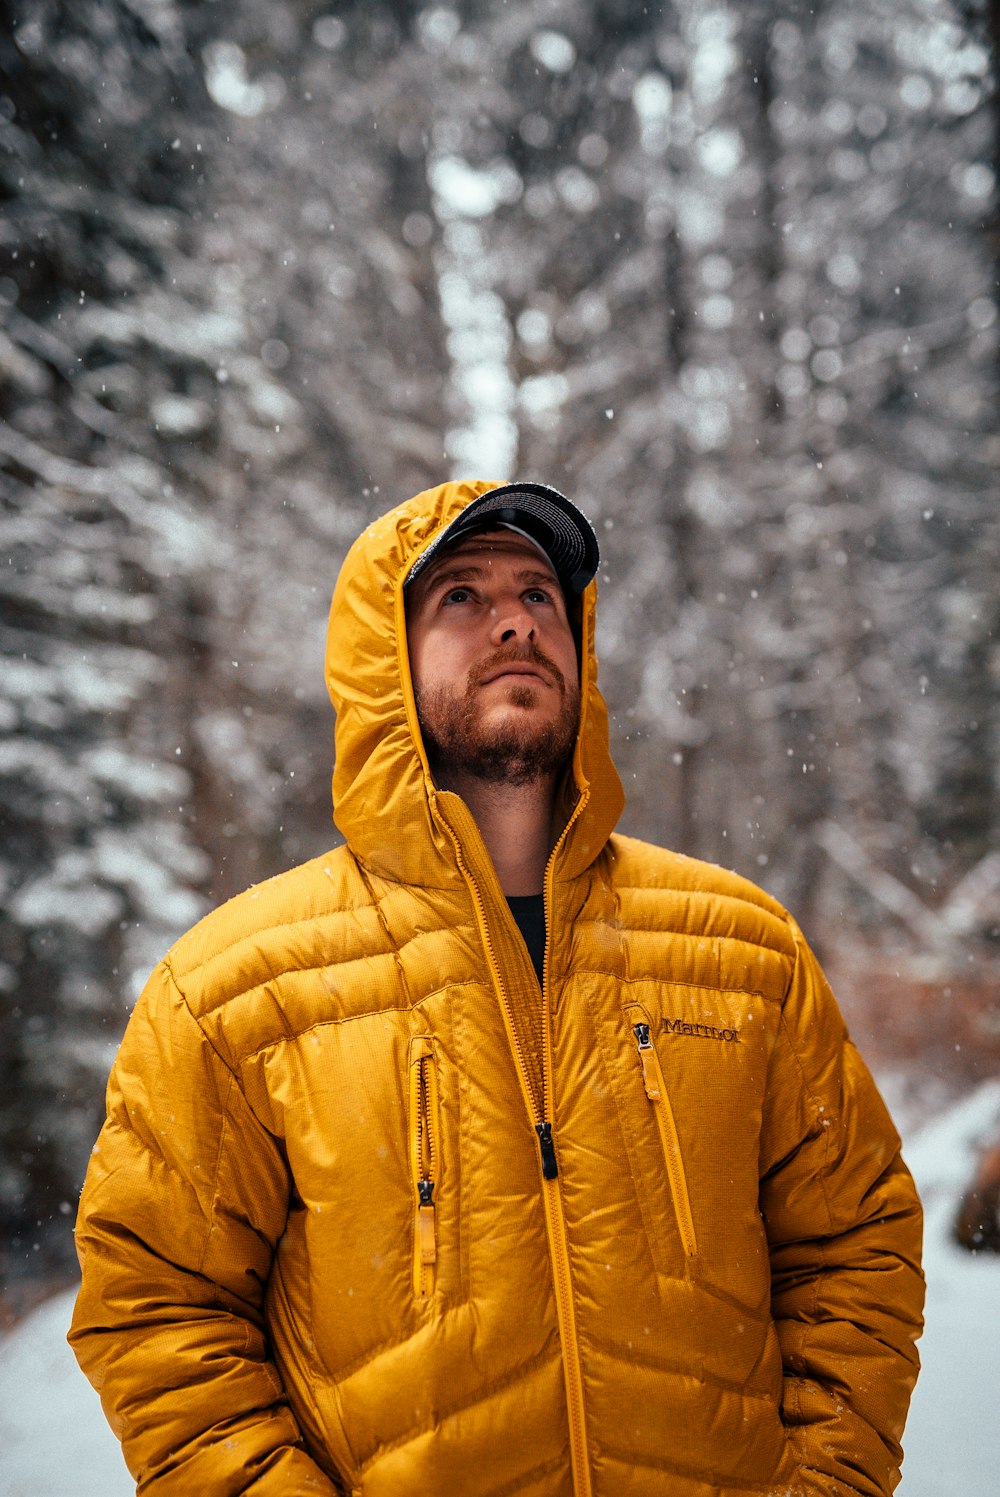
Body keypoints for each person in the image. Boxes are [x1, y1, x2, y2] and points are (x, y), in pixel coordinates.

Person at [70, 479, 924, 1497]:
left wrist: (827, 1483)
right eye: (461, 598)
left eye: (539, 596)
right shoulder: (237, 988)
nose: (515, 618)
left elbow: (855, 1247)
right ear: (384, 663)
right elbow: (157, 1306)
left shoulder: (741, 949)